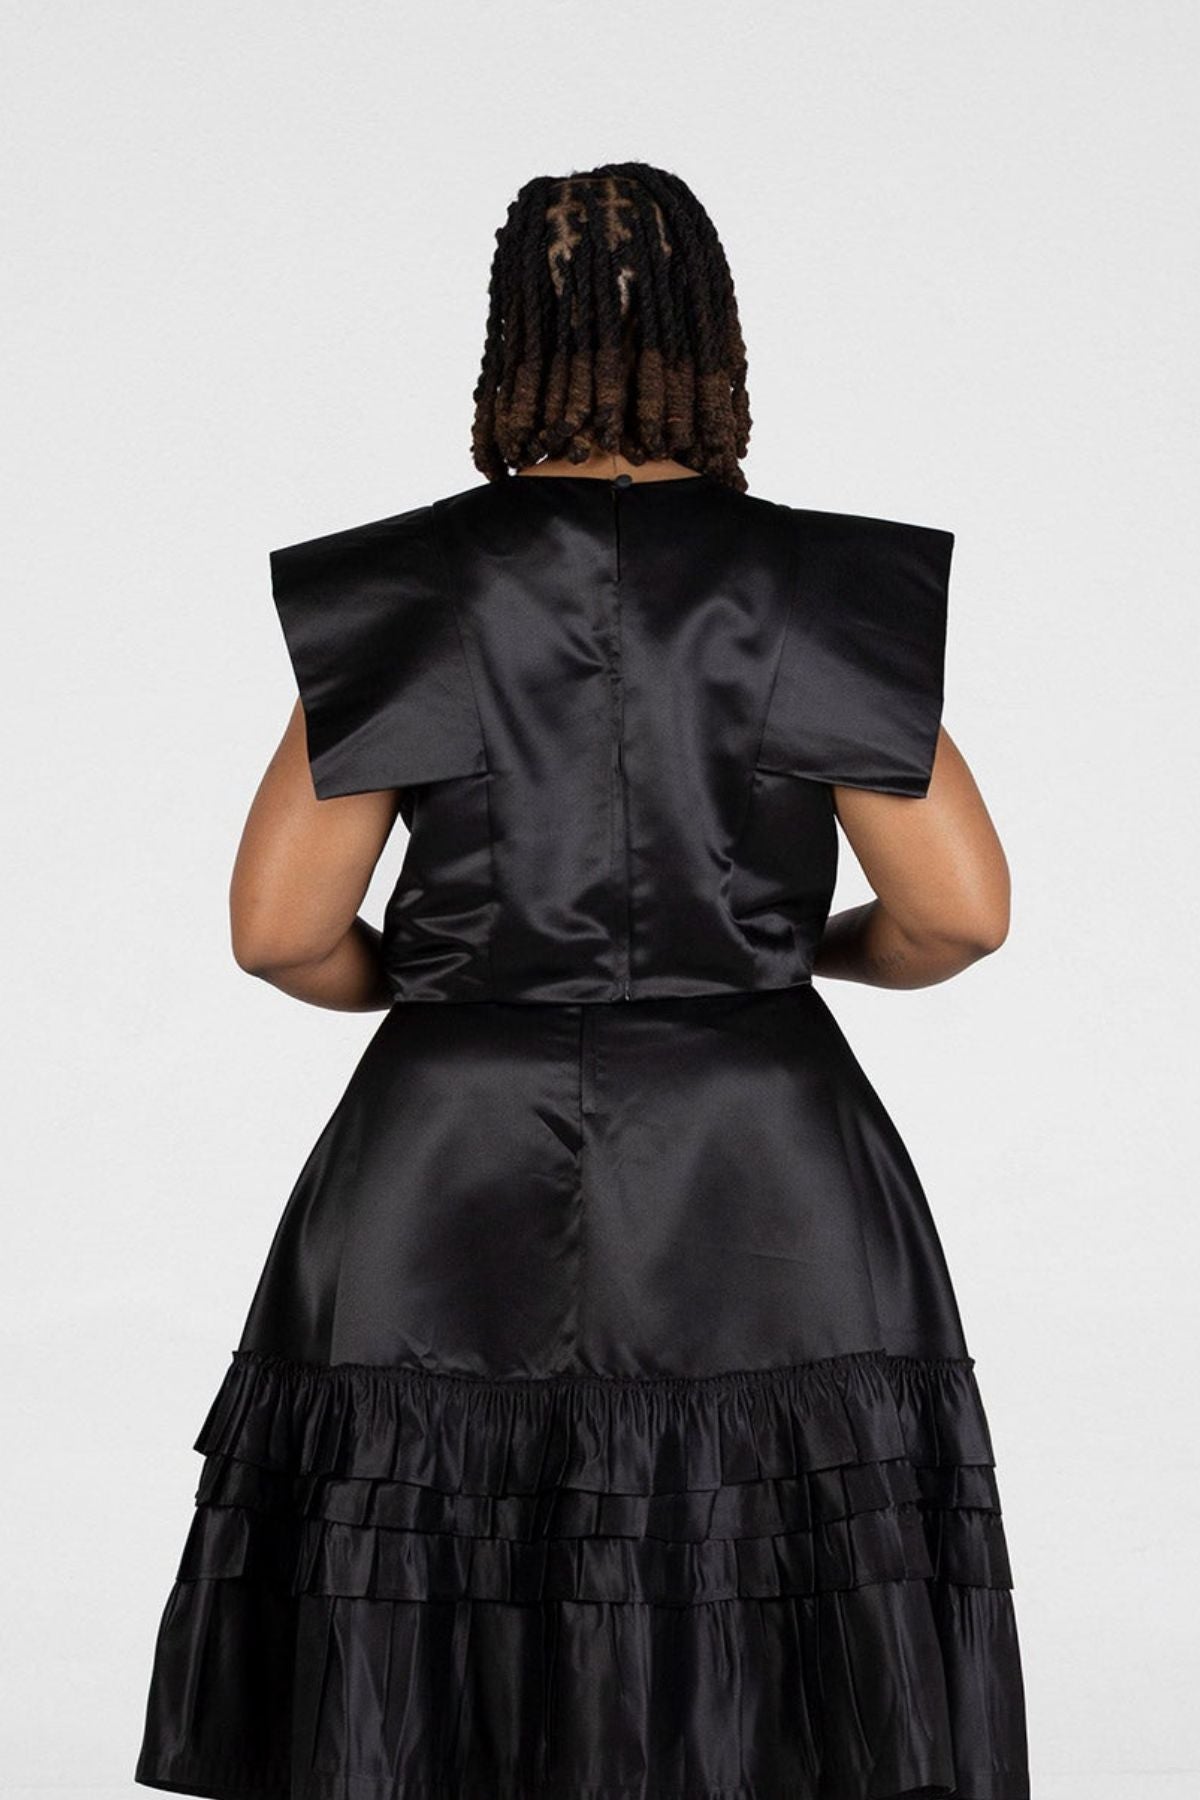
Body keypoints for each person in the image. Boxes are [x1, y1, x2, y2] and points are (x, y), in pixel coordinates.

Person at [134, 161, 1030, 1799]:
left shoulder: (407, 584)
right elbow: (960, 915)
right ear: (716, 340)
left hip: (450, 1138)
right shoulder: (819, 586)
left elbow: (278, 930)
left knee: (439, 1550)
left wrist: (448, 979)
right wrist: (792, 956)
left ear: (509, 348)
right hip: (758, 1141)